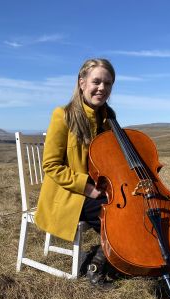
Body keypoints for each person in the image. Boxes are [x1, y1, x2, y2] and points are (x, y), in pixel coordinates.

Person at [34, 58, 116, 285]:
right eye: (96, 81)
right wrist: (87, 188)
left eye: (108, 83)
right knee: (113, 215)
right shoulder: (63, 115)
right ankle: (97, 267)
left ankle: (101, 258)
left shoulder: (108, 119)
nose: (102, 88)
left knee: (131, 207)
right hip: (68, 194)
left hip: (95, 189)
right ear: (82, 83)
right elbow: (51, 165)